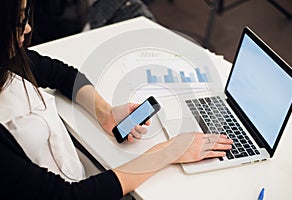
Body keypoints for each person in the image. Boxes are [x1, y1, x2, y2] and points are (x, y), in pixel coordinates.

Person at [0, 0, 233, 199]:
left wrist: (105, 113)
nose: (28, 28)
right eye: (19, 21)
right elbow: (70, 196)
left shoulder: (10, 61)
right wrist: (166, 152)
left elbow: (62, 74)